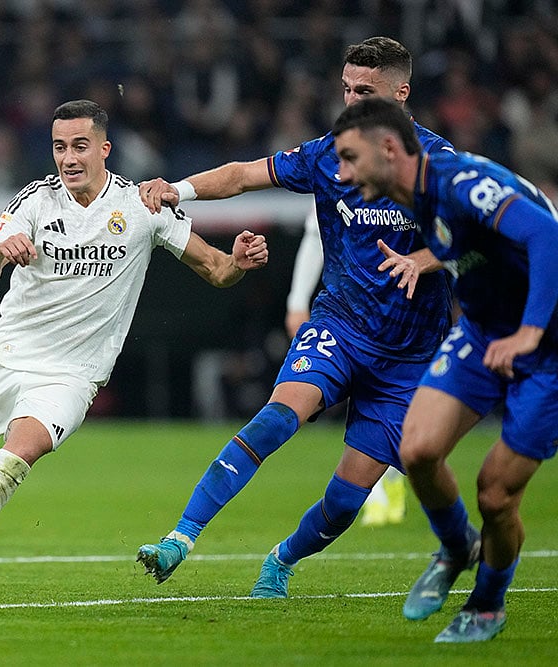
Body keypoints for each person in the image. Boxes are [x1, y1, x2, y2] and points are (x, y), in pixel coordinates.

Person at [0, 99, 268, 601]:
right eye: (60, 147)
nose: (68, 158)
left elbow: (216, 269)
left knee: (15, 461)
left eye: (80, 146)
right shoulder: (35, 202)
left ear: (104, 149)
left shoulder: (142, 206)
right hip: (9, 354)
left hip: (73, 373)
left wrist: (238, 260)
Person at [135, 37, 456, 597]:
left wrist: (422, 259)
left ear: (401, 94)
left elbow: (475, 238)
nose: (353, 101)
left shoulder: (439, 163)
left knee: (345, 500)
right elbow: (240, 175)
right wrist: (176, 189)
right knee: (279, 416)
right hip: (341, 325)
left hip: (408, 357)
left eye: (367, 91)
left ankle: (282, 560)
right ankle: (179, 538)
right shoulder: (329, 154)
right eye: (347, 89)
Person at [333, 96, 558, 643]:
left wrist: (530, 332)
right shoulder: (413, 199)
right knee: (416, 451)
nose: (342, 174)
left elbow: (546, 234)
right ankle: (458, 547)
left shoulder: (460, 182)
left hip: (547, 346)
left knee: (495, 494)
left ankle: (487, 604)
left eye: (348, 158)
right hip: (483, 334)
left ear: (389, 148)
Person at [285, 206, 408, 527]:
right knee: (359, 393)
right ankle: (377, 488)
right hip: (348, 310)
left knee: (399, 409)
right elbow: (315, 234)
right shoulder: (334, 169)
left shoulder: (417, 172)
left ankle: (390, 479)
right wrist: (297, 302)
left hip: (408, 310)